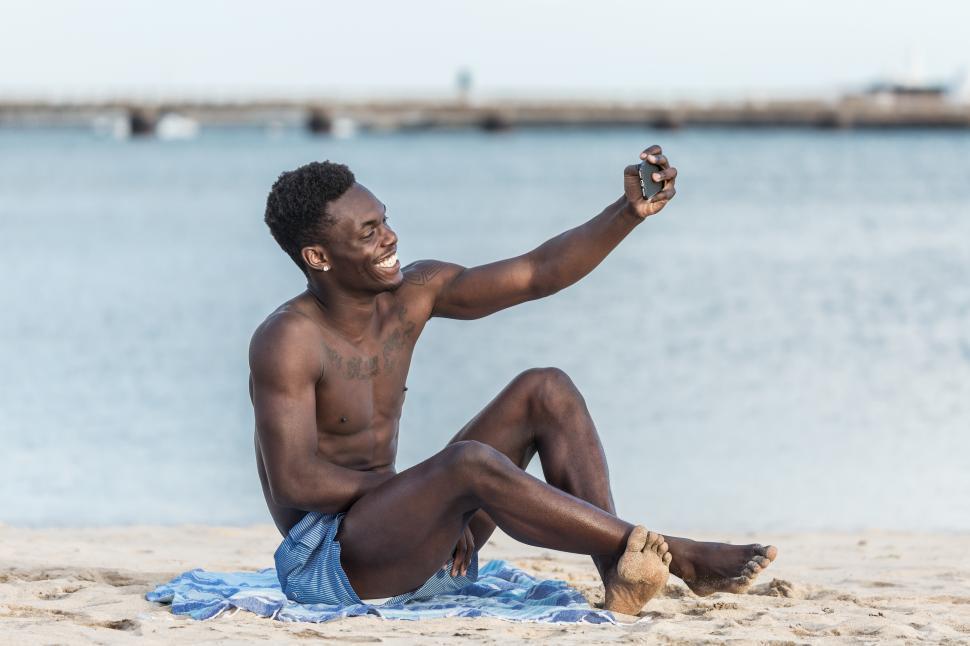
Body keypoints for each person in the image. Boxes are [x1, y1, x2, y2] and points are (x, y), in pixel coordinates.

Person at [250, 145, 776, 615]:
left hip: (414, 536)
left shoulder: (413, 293)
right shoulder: (288, 340)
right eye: (368, 233)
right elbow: (298, 483)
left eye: (384, 220)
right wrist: (434, 496)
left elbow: (537, 272)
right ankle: (674, 552)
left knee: (546, 389)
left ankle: (621, 571)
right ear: (318, 257)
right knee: (466, 466)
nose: (389, 237)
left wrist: (627, 213)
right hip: (334, 558)